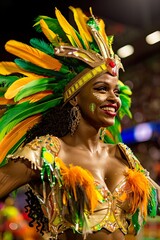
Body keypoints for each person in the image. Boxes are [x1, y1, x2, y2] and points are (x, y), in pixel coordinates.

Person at [0, 6, 159, 240]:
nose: (113, 98)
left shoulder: (123, 154)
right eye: (101, 89)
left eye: (115, 91)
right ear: (74, 97)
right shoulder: (48, 152)